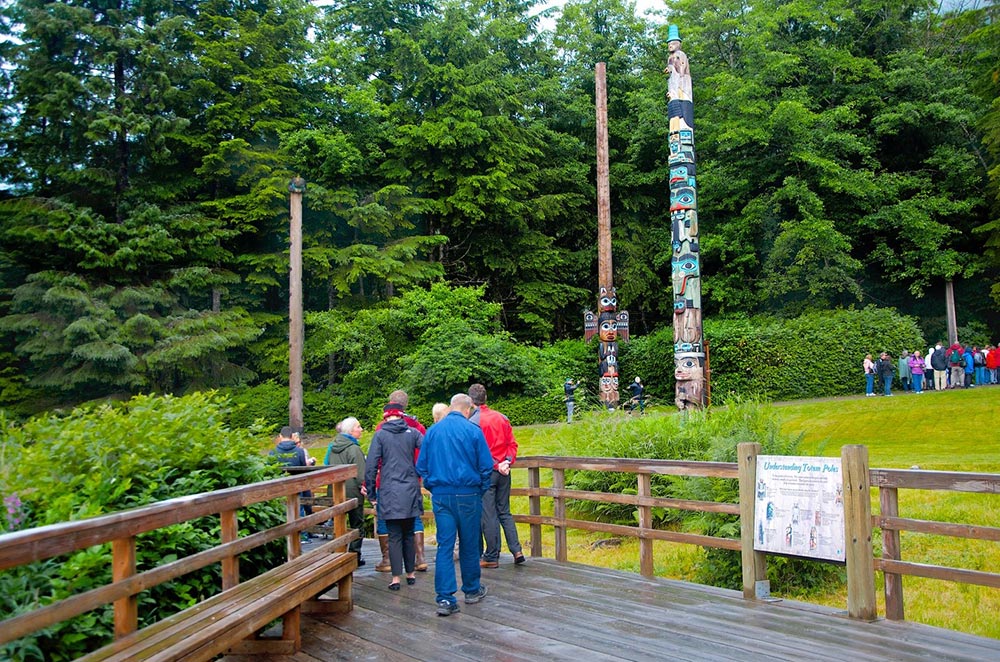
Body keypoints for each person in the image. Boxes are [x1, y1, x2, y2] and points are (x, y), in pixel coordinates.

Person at [415, 393, 493, 617]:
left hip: (442, 494)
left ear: (451, 407)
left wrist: (432, 486)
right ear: (468, 410)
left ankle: (445, 598)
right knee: (469, 543)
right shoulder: (473, 431)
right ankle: (471, 589)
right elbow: (486, 466)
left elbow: (422, 466)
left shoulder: (433, 431)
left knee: (445, 545)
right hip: (468, 493)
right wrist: (480, 489)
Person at [365, 405, 423, 591]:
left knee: (394, 535)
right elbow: (429, 450)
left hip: (389, 490)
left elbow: (371, 466)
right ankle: (411, 573)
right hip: (410, 489)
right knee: (408, 532)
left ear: (385, 417)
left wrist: (372, 494)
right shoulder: (412, 433)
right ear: (401, 415)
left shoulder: (380, 435)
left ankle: (396, 578)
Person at [468, 384, 525, 569]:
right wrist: (507, 461)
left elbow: (477, 452)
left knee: (489, 514)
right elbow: (512, 444)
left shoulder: (473, 422)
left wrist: (495, 464)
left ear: (471, 401)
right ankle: (517, 550)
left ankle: (492, 555)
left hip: (487, 472)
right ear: (485, 398)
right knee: (504, 511)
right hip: (504, 471)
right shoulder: (502, 418)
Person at [373, 390, 428, 573]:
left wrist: (371, 482)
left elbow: (377, 456)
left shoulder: (382, 427)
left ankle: (387, 559)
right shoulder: (416, 426)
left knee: (385, 517)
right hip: (412, 476)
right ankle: (420, 557)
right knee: (414, 516)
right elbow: (426, 449)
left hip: (388, 478)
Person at [324, 417, 367, 565]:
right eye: (359, 427)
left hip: (335, 490)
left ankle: (337, 553)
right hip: (352, 492)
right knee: (357, 524)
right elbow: (361, 474)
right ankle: (354, 556)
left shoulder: (332, 447)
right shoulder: (354, 448)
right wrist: (366, 487)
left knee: (338, 524)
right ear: (350, 430)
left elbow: (327, 465)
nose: (361, 429)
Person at [269, 426, 312, 543]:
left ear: (280, 436)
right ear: (292, 436)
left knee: (283, 511)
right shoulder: (299, 451)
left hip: (280, 488)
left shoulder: (273, 453)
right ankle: (302, 536)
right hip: (298, 486)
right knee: (300, 510)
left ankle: (284, 537)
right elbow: (304, 469)